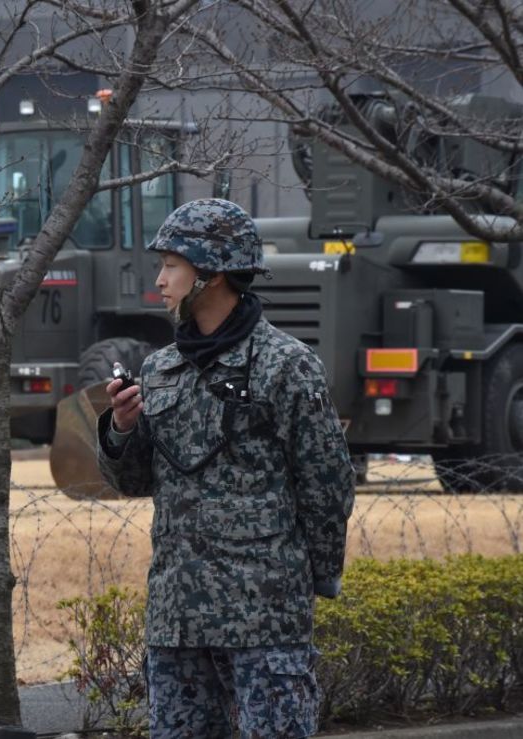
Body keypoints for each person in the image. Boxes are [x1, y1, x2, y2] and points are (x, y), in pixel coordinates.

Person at [97, 198, 355, 738]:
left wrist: (318, 575)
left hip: (264, 616)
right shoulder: (161, 369)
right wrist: (121, 428)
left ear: (211, 274)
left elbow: (326, 485)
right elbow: (135, 481)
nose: (160, 279)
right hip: (177, 618)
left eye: (171, 264)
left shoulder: (286, 365)